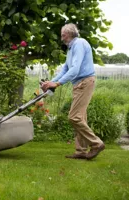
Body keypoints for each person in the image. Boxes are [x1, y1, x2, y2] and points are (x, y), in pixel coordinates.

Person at [41, 23, 105, 160]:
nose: (61, 38)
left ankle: (97, 143)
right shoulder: (71, 48)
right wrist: (50, 83)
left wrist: (57, 83)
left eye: (62, 35)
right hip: (79, 84)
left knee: (74, 117)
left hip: (84, 82)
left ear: (69, 34)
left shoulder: (79, 44)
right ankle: (81, 151)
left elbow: (75, 69)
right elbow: (65, 69)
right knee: (80, 118)